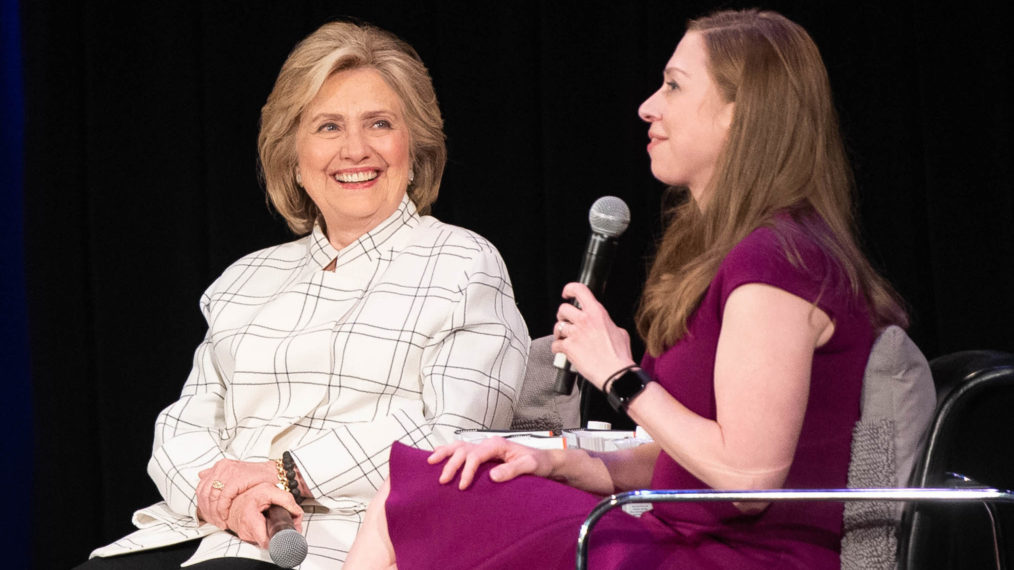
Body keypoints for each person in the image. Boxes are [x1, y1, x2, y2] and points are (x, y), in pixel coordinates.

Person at [344, 8, 908, 569]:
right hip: (676, 537)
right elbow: (679, 460)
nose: (648, 106)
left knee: (405, 500)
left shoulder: (780, 262)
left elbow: (747, 478)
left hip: (739, 558)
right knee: (428, 490)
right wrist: (556, 461)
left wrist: (619, 375)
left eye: (674, 86)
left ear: (740, 114)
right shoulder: (741, 254)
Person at [78, 21, 529, 570]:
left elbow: (452, 436)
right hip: (203, 535)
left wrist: (284, 474)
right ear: (292, 154)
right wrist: (227, 497)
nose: (355, 149)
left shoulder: (464, 263)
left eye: (380, 124)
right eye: (328, 127)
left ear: (417, 144)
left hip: (345, 545)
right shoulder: (245, 278)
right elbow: (182, 427)